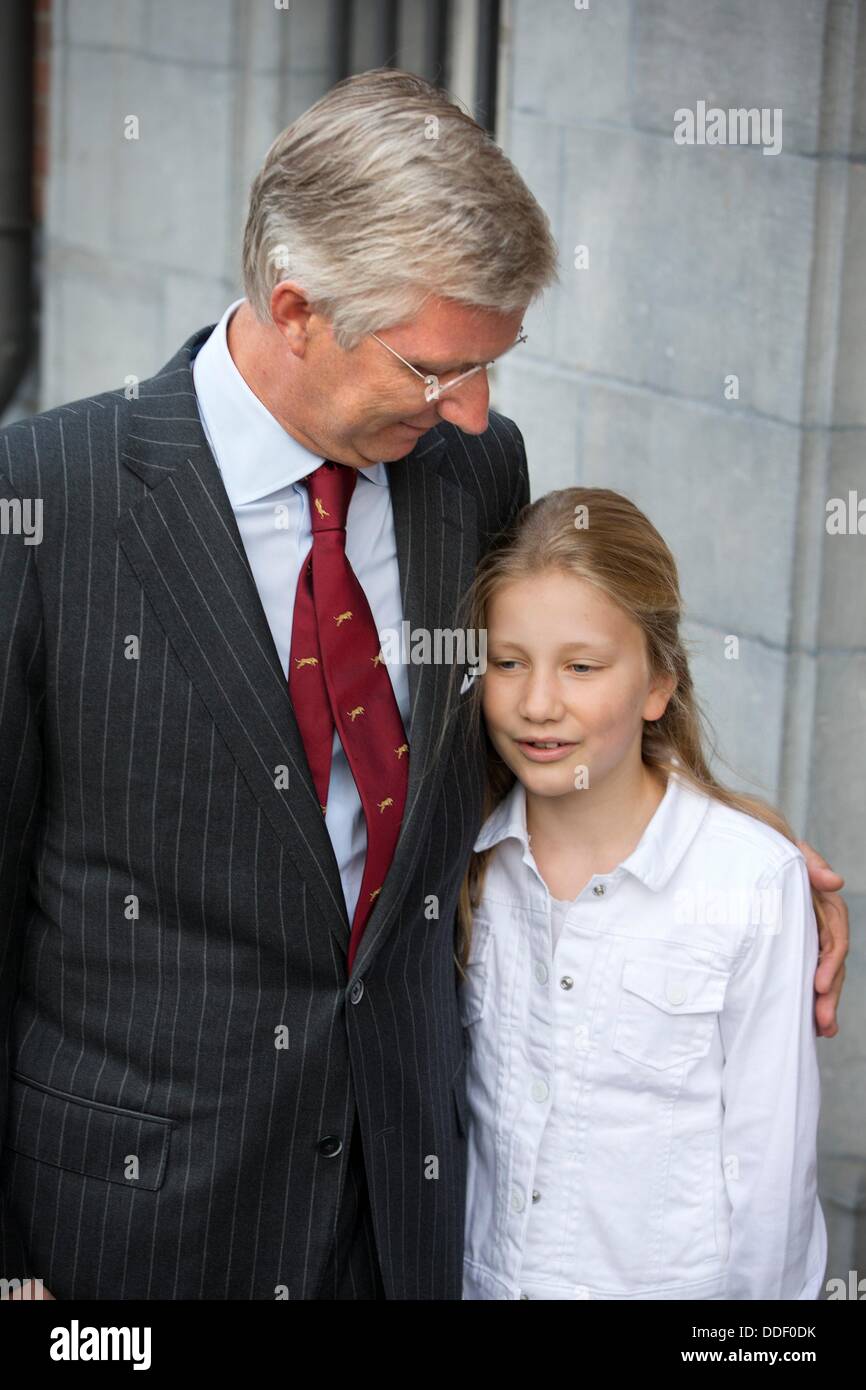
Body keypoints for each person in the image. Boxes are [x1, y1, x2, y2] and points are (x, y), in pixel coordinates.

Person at [0, 67, 847, 1302]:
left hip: (406, 1211)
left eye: (493, 364)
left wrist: (730, 840)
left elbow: (526, 726)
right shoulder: (46, 501)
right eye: (436, 367)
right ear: (295, 309)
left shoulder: (468, 468)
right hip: (130, 1233)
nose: (474, 409)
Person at [456, 488, 829, 1300]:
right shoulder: (463, 866)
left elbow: (773, 1190)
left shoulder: (749, 883)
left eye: (582, 667)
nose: (538, 704)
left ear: (659, 683)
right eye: (508, 661)